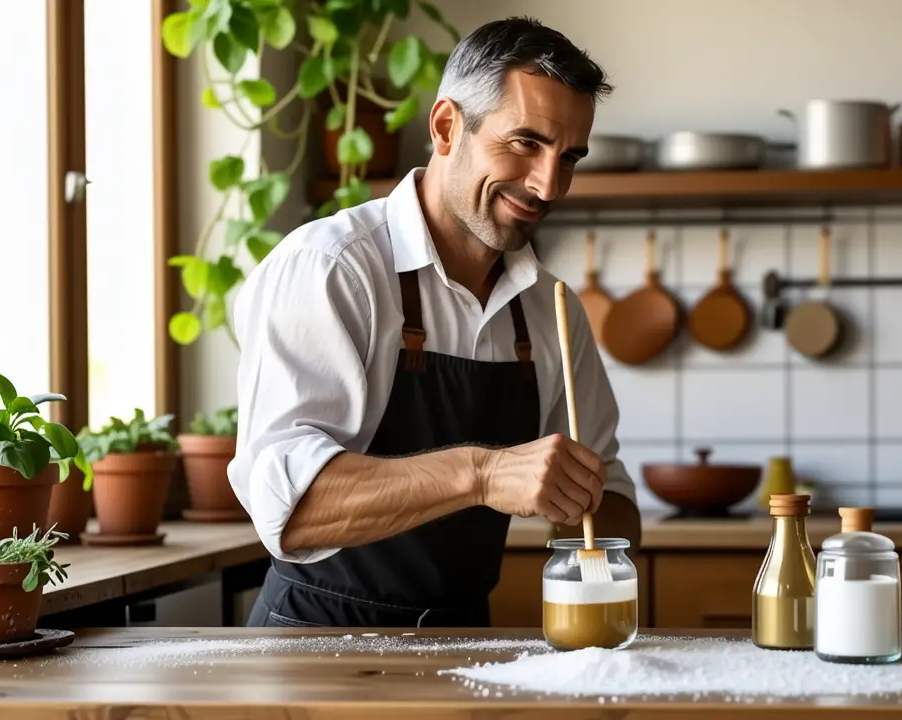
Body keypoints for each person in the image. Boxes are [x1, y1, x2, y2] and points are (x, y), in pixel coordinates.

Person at [229, 16, 641, 629]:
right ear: (448, 127)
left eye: (569, 156)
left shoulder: (551, 309)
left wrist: (585, 506)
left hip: (462, 639)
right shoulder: (331, 268)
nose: (548, 185)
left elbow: (613, 503)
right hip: (312, 645)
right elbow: (291, 509)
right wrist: (484, 473)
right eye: (525, 142)